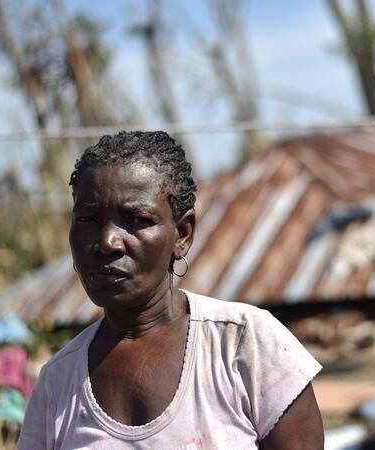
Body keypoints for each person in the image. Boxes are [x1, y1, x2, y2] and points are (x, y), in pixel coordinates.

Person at [17, 131, 324, 449]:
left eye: (136, 219)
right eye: (88, 219)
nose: (107, 242)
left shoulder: (243, 344)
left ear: (182, 234)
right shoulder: (58, 384)